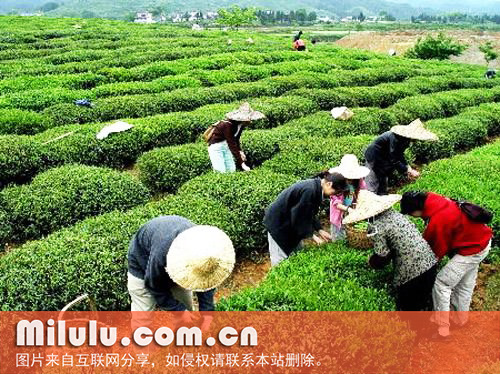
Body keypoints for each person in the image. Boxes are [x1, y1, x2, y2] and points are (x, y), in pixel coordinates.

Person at [400, 191, 493, 338]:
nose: (413, 217)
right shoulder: (435, 199)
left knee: (442, 283)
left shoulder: (438, 220)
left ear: (416, 210)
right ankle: (460, 319)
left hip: (472, 250)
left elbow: (435, 250)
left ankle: (441, 329)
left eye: (411, 214)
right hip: (482, 241)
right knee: (464, 285)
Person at [127, 216, 235, 329]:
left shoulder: (206, 248)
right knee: (143, 318)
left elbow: (207, 278)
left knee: (186, 311)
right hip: (142, 265)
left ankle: (183, 341)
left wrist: (207, 312)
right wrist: (179, 310)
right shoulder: (162, 251)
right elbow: (153, 285)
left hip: (170, 260)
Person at [343, 190, 438, 311]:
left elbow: (382, 256)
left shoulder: (375, 225)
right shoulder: (395, 214)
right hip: (430, 264)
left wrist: (371, 262)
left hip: (412, 274)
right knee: (422, 307)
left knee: (407, 313)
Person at [263, 172, 347, 266]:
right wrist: (312, 236)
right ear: (329, 184)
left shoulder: (317, 188)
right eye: (335, 192)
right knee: (280, 260)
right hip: (278, 224)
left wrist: (319, 230)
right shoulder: (310, 190)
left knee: (296, 253)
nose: (333, 195)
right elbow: (299, 216)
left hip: (289, 222)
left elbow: (308, 212)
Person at [364, 119, 438, 195]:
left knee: (383, 181)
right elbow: (394, 159)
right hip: (374, 157)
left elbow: (400, 154)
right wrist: (407, 170)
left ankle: (382, 197)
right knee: (373, 181)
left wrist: (408, 167)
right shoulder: (395, 138)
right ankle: (370, 200)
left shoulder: (406, 139)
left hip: (384, 158)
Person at [207, 102, 264, 173]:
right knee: (221, 171)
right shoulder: (227, 125)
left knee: (231, 170)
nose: (250, 121)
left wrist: (240, 151)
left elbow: (236, 140)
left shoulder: (241, 125)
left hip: (226, 148)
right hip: (217, 148)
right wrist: (242, 163)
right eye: (248, 118)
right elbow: (231, 143)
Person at [328, 154, 370, 241]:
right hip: (339, 216)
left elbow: (364, 193)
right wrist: (348, 210)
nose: (350, 180)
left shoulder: (359, 181)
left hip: (353, 214)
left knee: (353, 238)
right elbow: (336, 204)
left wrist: (360, 207)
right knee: (339, 241)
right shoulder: (336, 183)